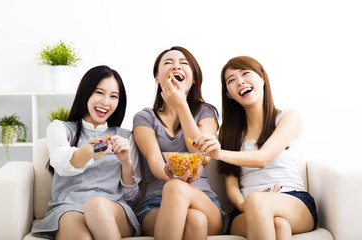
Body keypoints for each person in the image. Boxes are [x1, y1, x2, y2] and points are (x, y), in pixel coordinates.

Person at [193, 56, 318, 239]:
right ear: (228, 93)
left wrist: (220, 153)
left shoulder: (288, 117)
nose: (240, 81)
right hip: (245, 207)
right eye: (231, 80)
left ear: (262, 78)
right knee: (279, 225)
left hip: (292, 199)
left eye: (245, 73)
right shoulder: (229, 132)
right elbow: (231, 185)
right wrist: (247, 206)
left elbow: (263, 158)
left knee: (262, 205)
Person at [32, 65, 141, 239]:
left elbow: (132, 200)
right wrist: (85, 153)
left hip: (112, 209)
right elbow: (61, 163)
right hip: (69, 207)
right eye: (99, 93)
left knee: (96, 205)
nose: (106, 101)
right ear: (85, 93)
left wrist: (126, 163)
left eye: (113, 96)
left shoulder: (126, 137)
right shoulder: (60, 128)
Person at [133, 46, 225, 240]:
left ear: (193, 79)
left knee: (179, 190)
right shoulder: (144, 118)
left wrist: (182, 106)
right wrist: (174, 177)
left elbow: (203, 156)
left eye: (183, 63)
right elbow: (155, 161)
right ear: (157, 78)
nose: (176, 66)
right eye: (168, 63)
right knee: (195, 220)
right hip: (156, 204)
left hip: (204, 201)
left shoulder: (206, 112)